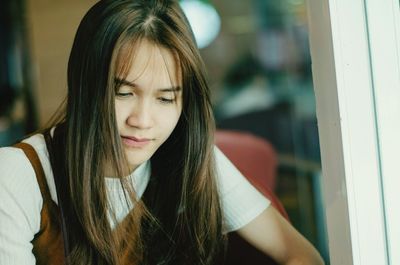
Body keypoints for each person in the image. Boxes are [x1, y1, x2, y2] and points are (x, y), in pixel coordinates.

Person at [0, 0, 324, 264]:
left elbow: (300, 254)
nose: (142, 120)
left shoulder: (189, 156)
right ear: (85, 86)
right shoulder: (18, 175)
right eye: (123, 93)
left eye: (166, 98)